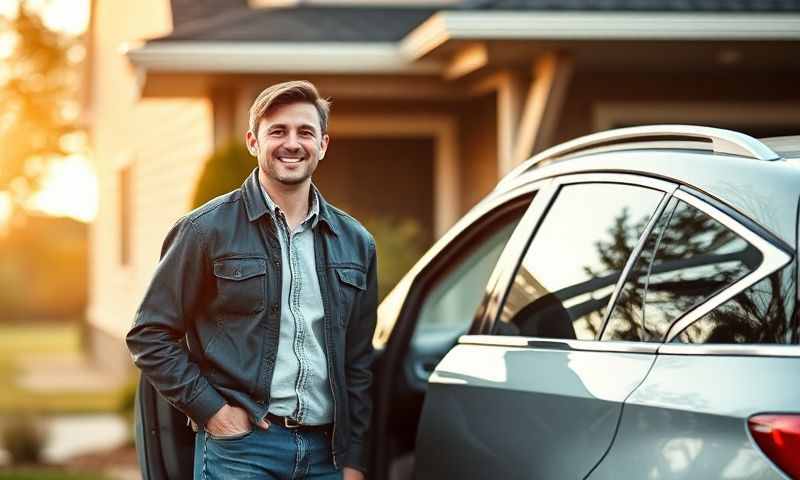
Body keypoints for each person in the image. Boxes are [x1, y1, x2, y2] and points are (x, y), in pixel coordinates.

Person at [126, 80, 378, 480]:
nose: (292, 143)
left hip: (328, 455)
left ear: (323, 145)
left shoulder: (356, 243)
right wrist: (214, 412)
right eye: (277, 131)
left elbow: (359, 363)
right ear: (252, 142)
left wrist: (355, 460)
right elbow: (149, 334)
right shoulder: (205, 230)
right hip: (242, 452)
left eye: (305, 132)